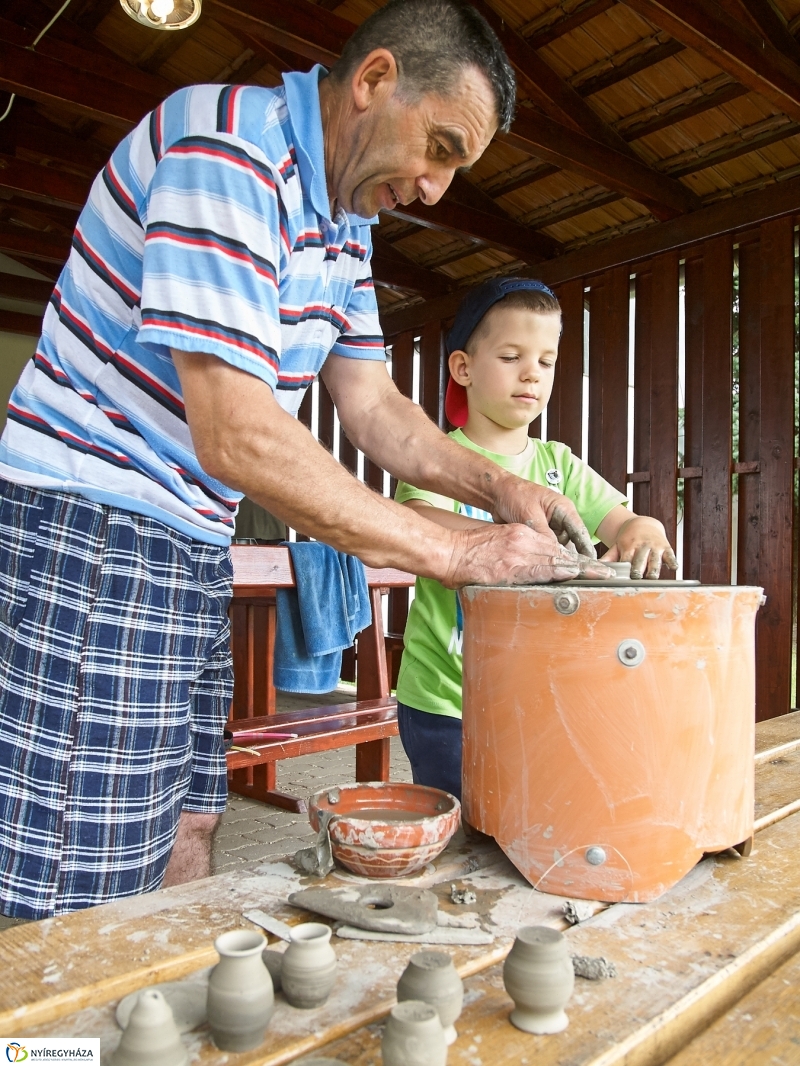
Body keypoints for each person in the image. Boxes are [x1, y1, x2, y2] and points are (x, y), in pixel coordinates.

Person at [0, 0, 602, 921]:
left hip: (188, 533)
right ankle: (51, 1049)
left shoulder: (346, 223)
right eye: (438, 147)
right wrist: (460, 552)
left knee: (188, 827)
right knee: (78, 877)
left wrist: (500, 488)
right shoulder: (231, 153)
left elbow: (372, 408)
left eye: (456, 166)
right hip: (93, 523)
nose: (438, 188)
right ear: (373, 81)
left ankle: (159, 1024)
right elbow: (237, 433)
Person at [394, 277, 679, 800]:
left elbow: (624, 520)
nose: (532, 373)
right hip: (446, 702)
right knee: (463, 835)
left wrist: (645, 530)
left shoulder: (559, 466)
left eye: (546, 361)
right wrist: (509, 539)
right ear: (463, 368)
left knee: (533, 820)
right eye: (510, 356)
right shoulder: (437, 461)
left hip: (543, 695)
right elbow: (419, 522)